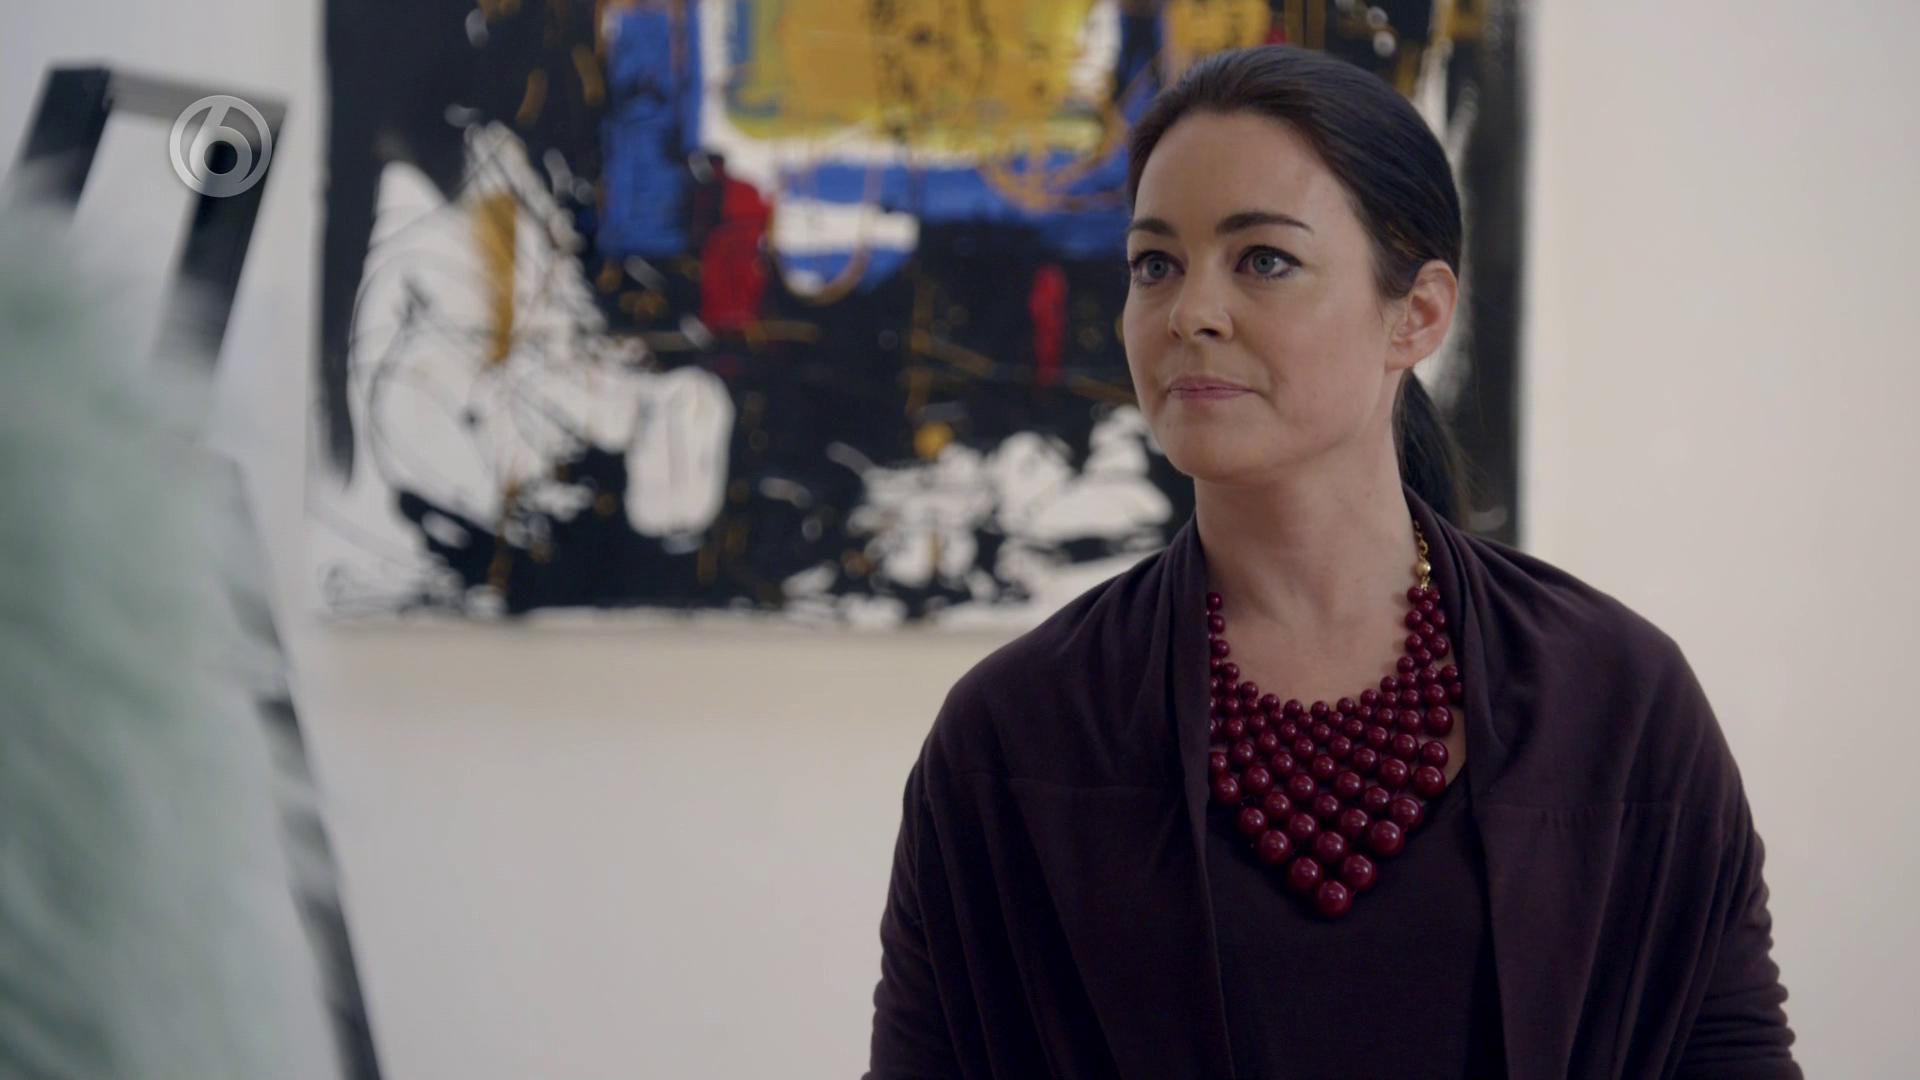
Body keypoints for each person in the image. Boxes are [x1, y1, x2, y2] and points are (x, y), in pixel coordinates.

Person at [864, 45, 1799, 1080]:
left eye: (1263, 259)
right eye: (1155, 264)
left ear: (1418, 313)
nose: (1191, 312)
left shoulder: (1616, 698)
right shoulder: (1015, 732)